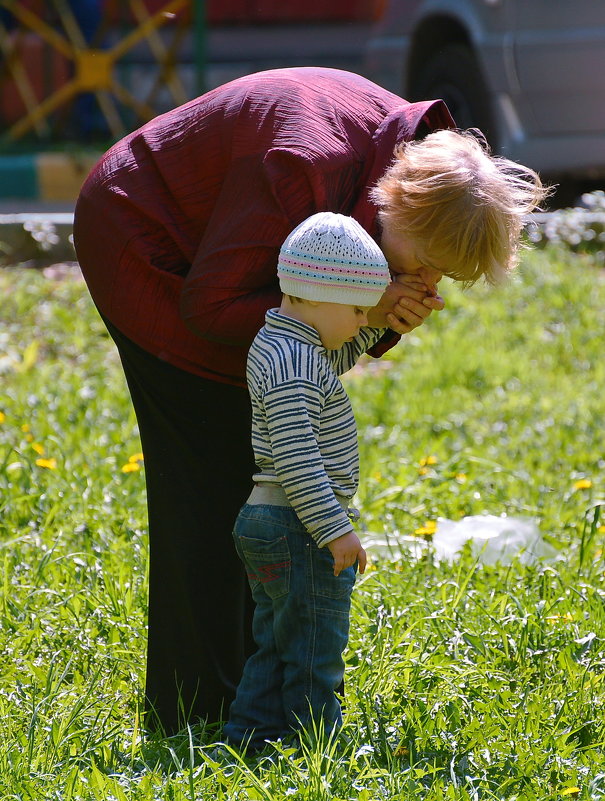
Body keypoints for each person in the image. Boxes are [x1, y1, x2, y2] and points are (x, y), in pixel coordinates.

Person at [72, 66, 546, 736]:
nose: (427, 282)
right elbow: (210, 307)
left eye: (443, 276)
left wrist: (380, 314)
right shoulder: (303, 163)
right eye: (424, 262)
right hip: (147, 240)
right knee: (209, 482)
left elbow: (318, 343)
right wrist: (370, 298)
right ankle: (192, 715)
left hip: (221, 267)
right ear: (395, 206)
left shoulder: (407, 167)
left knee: (249, 465)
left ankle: (248, 698)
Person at [222, 212, 391, 751]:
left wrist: (382, 326)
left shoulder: (282, 343)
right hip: (298, 525)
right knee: (316, 643)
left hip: (270, 520)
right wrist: (334, 530)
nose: (363, 319)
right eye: (359, 309)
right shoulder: (295, 363)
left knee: (276, 641)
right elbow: (298, 458)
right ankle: (312, 747)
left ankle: (249, 739)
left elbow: (335, 354)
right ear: (321, 296)